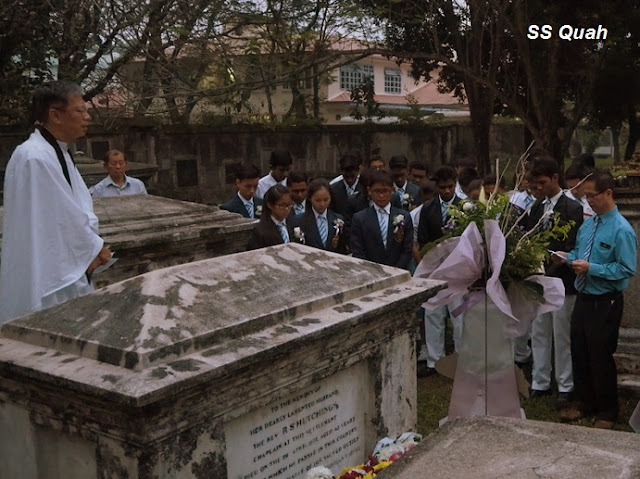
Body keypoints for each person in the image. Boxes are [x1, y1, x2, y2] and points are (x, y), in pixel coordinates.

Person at [0, 81, 111, 323]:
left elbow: (69, 208)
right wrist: (94, 248)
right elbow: (57, 218)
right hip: (49, 271)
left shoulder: (57, 152)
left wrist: (92, 247)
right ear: (55, 115)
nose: (87, 117)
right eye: (80, 110)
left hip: (66, 264)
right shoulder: (35, 157)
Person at [556, 170, 637, 429]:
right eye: (586, 197)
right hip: (584, 296)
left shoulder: (621, 229)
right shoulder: (589, 224)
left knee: (600, 355)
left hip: (606, 301)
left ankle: (607, 411)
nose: (589, 201)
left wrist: (592, 269)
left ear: (608, 193)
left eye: (593, 196)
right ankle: (584, 402)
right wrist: (567, 258)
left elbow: (626, 269)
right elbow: (580, 253)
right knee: (579, 350)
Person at [526, 156, 584, 407]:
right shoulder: (536, 207)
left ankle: (565, 385)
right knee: (539, 331)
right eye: (535, 184)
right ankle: (540, 381)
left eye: (543, 183)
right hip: (539, 278)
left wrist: (560, 259)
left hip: (563, 280)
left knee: (562, 335)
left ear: (555, 178)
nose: (539, 188)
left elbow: (573, 243)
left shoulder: (572, 208)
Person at [417, 165, 464, 375]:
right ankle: (434, 360)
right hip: (435, 269)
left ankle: (461, 359)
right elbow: (423, 240)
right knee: (433, 314)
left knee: (459, 316)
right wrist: (432, 260)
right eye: (443, 187)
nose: (446, 191)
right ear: (436, 187)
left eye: (450, 187)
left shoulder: (465, 207)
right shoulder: (428, 209)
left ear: (455, 185)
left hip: (459, 271)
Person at [350, 170, 413, 269]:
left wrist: (396, 269)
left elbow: (407, 249)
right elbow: (358, 250)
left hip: (398, 270)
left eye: (385, 191)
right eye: (377, 191)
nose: (381, 196)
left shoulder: (404, 216)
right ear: (369, 190)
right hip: (370, 271)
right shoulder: (360, 219)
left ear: (392, 190)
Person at [290, 178, 347, 254]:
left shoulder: (338, 220)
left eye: (326, 200)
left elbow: (341, 248)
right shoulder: (298, 221)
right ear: (310, 198)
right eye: (318, 200)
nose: (322, 204)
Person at [246, 184, 295, 250]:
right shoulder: (261, 231)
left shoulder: (293, 223)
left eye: (289, 205)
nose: (286, 209)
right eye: (282, 205)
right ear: (270, 205)